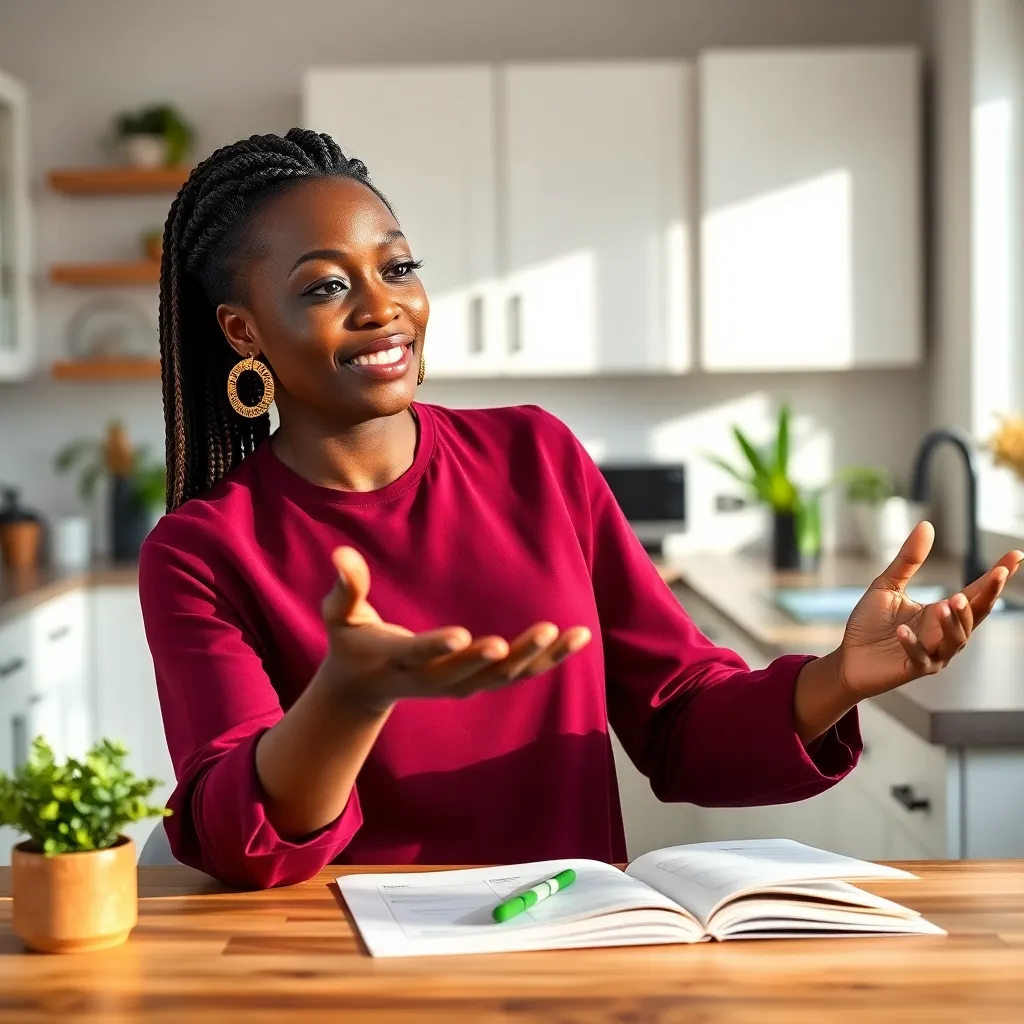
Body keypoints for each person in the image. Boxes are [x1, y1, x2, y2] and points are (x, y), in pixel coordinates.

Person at [139, 128, 1021, 890]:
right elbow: (237, 839)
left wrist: (842, 677)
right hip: (350, 963)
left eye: (398, 267)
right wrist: (346, 698)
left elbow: (678, 720)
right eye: (325, 287)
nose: (384, 306)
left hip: (572, 945)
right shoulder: (201, 551)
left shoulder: (536, 456)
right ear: (242, 331)